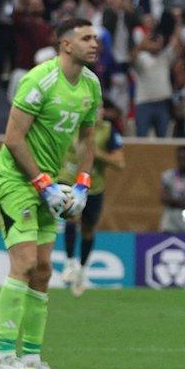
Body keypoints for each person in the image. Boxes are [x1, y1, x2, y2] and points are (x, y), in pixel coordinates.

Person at [0, 18, 103, 369]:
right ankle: (5, 356)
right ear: (65, 45)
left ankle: (33, 360)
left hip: (48, 184)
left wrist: (82, 185)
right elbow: (12, 137)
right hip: (16, 180)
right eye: (86, 38)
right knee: (22, 264)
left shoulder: (91, 85)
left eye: (95, 38)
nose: (94, 44)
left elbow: (88, 139)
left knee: (43, 270)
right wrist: (43, 184)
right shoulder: (40, 80)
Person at [59, 103, 126, 297]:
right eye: (95, 109)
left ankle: (82, 268)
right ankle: (70, 262)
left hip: (94, 187)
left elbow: (120, 163)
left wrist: (97, 154)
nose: (99, 113)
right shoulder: (70, 124)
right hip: (69, 180)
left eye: (101, 109)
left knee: (88, 229)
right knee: (71, 215)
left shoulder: (108, 131)